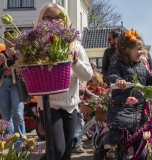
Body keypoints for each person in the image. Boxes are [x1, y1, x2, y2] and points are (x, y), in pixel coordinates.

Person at [94, 29, 152, 160]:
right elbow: (111, 74)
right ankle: (101, 148)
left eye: (142, 49)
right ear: (126, 49)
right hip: (121, 108)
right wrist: (117, 80)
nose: (142, 52)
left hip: (137, 110)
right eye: (139, 49)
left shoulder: (141, 67)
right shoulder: (117, 61)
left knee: (140, 145)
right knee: (115, 137)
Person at [36, 3, 93, 160]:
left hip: (70, 104)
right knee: (57, 150)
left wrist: (75, 62)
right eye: (48, 17)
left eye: (57, 18)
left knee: (66, 153)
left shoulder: (75, 46)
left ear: (65, 20)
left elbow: (88, 75)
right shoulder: (36, 46)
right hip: (49, 104)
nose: (53, 21)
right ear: (41, 20)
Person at [0, 30, 26, 147]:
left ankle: (20, 143)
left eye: (11, 38)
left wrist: (14, 57)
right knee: (5, 116)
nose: (9, 41)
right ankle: (10, 143)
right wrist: (6, 63)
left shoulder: (20, 53)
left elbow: (22, 67)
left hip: (16, 85)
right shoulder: (1, 53)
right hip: (3, 84)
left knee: (18, 114)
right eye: (7, 38)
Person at [72, 81, 95, 153]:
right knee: (74, 127)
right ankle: (73, 145)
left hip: (78, 108)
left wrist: (98, 98)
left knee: (80, 126)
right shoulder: (72, 82)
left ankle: (77, 145)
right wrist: (76, 101)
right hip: (71, 108)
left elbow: (87, 92)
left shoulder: (80, 82)